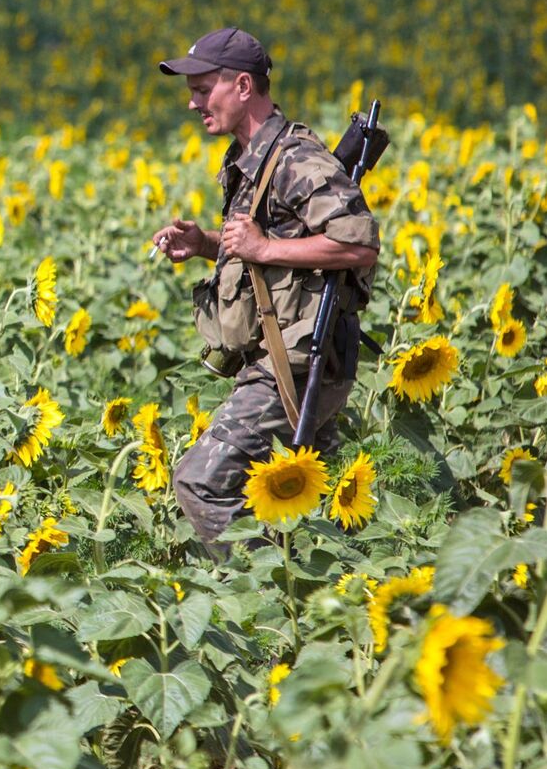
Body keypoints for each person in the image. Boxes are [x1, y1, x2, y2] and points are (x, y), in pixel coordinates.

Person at [150, 28, 379, 552]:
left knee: (199, 482)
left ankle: (263, 593)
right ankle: (330, 601)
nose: (192, 103)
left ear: (244, 86)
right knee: (309, 514)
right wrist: (207, 244)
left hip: (298, 365)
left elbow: (359, 244)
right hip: (280, 360)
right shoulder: (250, 158)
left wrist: (261, 249)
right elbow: (270, 246)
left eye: (203, 89)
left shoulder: (295, 157)